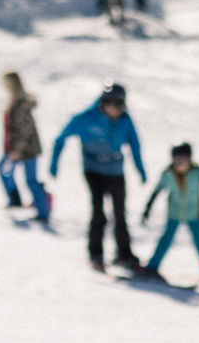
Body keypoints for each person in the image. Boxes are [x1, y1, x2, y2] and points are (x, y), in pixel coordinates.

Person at [50, 84, 149, 272]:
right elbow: (60, 139)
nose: (117, 110)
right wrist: (54, 165)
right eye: (114, 105)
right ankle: (96, 254)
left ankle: (124, 254)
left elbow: (135, 145)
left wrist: (140, 170)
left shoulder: (125, 120)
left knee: (120, 213)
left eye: (121, 105)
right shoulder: (86, 119)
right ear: (104, 103)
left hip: (116, 170)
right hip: (94, 171)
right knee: (99, 213)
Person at [137, 143, 199, 286]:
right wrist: (147, 209)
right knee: (165, 241)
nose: (180, 163)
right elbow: (156, 191)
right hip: (174, 214)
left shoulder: (196, 172)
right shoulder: (167, 174)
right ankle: (152, 268)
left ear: (189, 159)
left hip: (193, 215)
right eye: (177, 160)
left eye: (183, 160)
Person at [0, 73, 51, 223]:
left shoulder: (20, 103)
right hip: (18, 148)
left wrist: (17, 149)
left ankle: (43, 212)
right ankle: (16, 199)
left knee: (31, 180)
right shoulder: (15, 102)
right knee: (5, 171)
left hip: (27, 149)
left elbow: (24, 130)